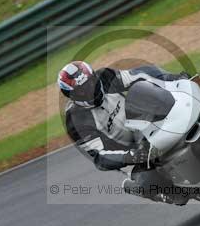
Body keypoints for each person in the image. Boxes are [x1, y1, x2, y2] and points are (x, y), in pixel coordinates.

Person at [58, 61, 191, 204]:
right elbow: (99, 156)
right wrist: (129, 157)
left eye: (90, 83)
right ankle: (137, 187)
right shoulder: (75, 120)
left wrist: (172, 79)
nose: (90, 90)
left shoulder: (105, 77)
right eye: (82, 90)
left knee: (177, 115)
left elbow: (140, 74)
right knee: (168, 191)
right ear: (71, 96)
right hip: (125, 153)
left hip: (140, 124)